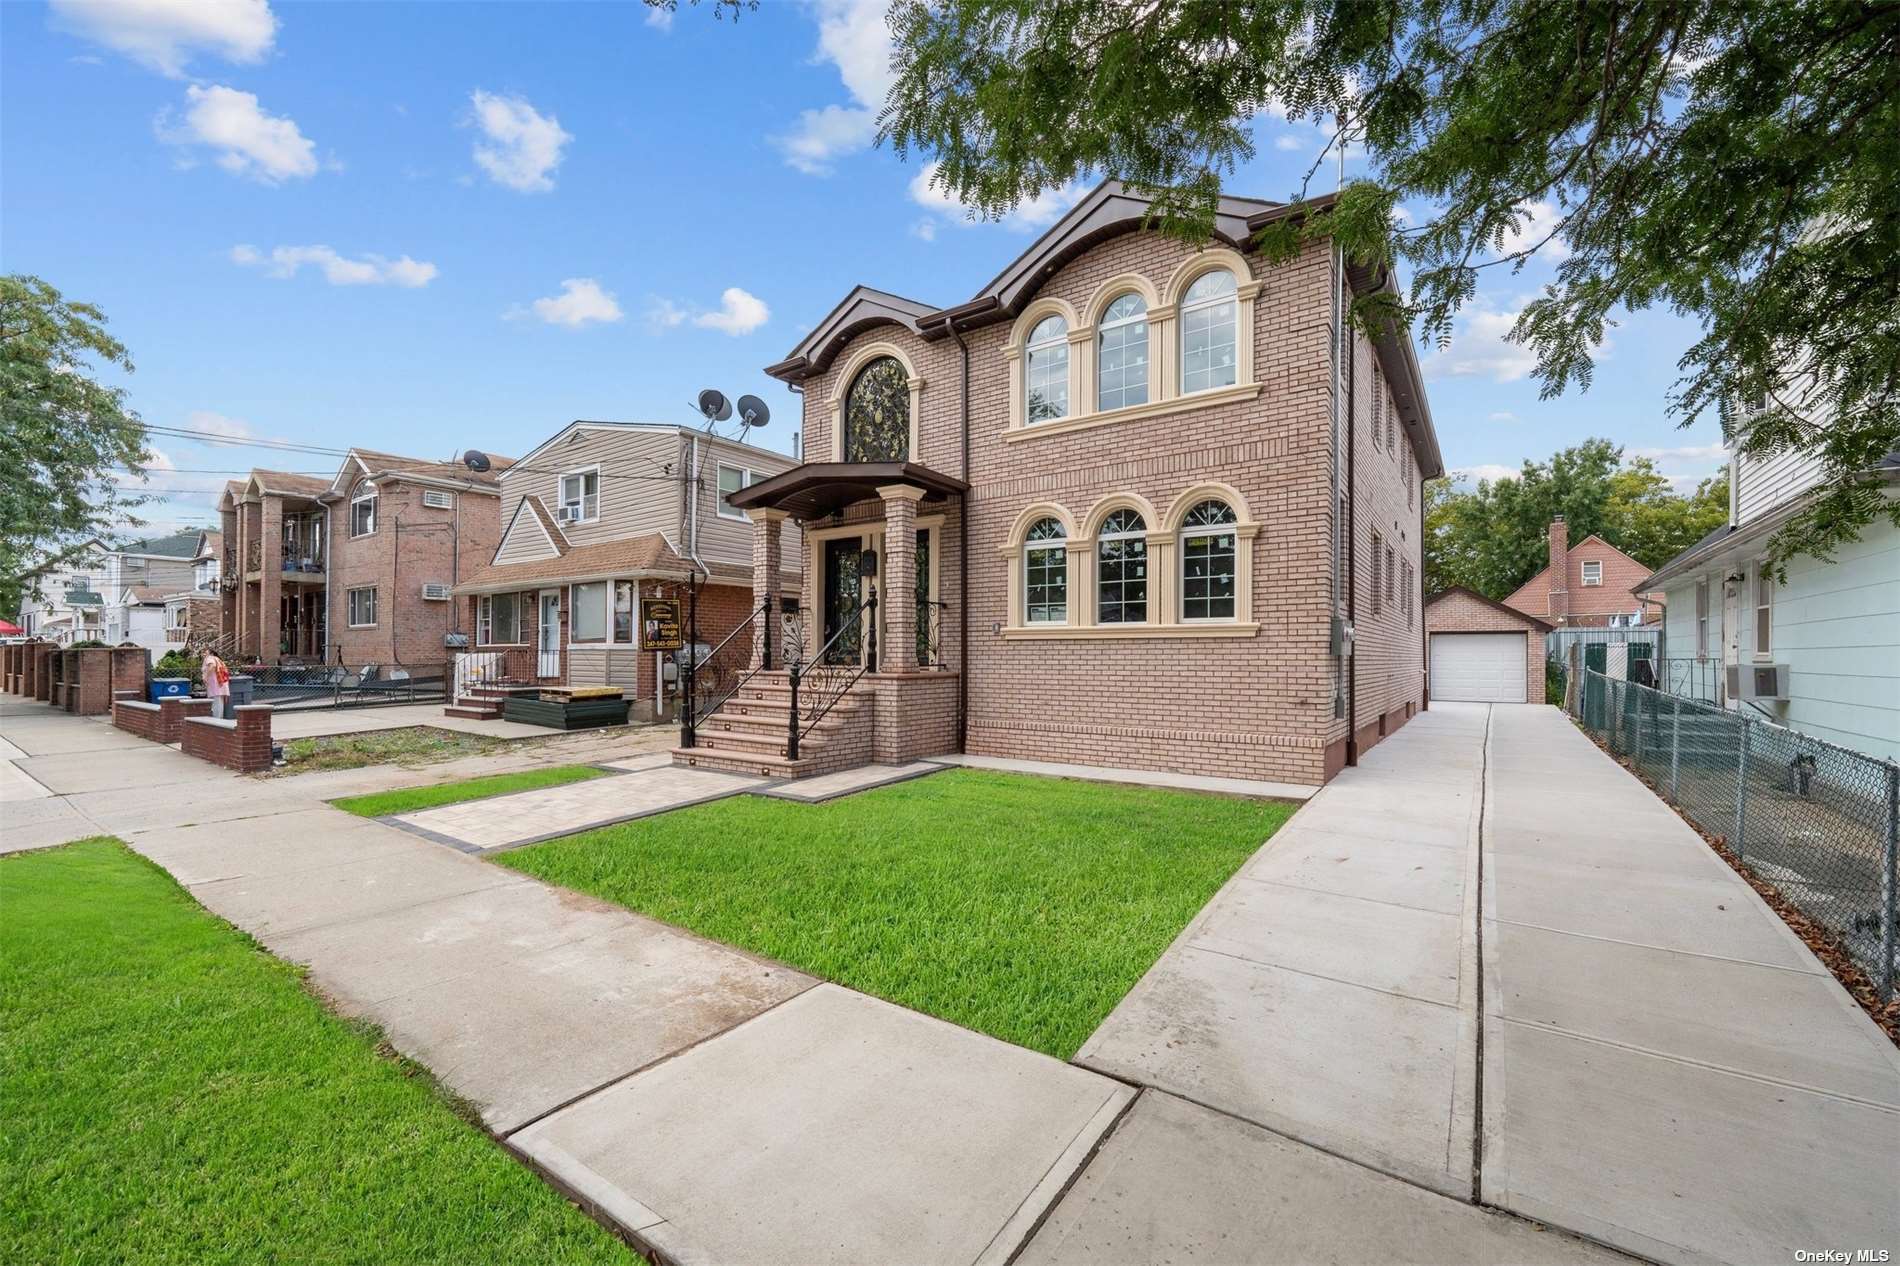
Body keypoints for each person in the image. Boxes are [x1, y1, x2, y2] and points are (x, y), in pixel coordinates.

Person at [202, 650, 231, 719]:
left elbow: (212, 665)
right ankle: (219, 720)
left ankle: (216, 720)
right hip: (221, 684)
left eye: (205, 653)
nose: (203, 654)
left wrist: (206, 676)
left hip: (215, 684)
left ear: (211, 653)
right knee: (219, 703)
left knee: (215, 704)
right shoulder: (218, 659)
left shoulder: (209, 658)